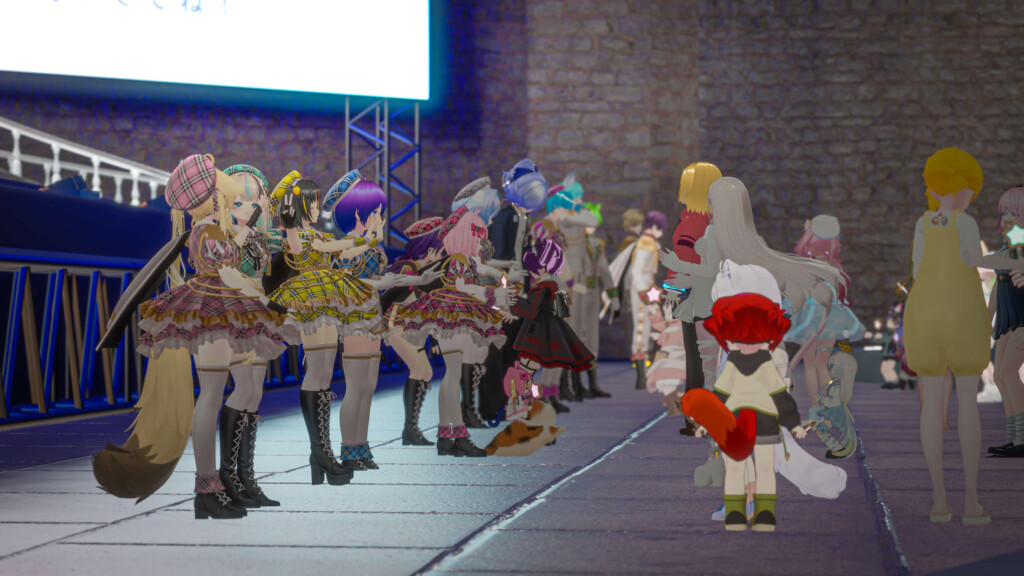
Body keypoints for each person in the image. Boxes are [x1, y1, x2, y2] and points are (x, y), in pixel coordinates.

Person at [903, 148, 1024, 525]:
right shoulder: (965, 222)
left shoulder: (923, 223)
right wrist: (1016, 261)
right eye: (970, 188)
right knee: (967, 404)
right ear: (959, 187)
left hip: (925, 316)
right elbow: (978, 260)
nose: (972, 194)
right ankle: (971, 502)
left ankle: (939, 501)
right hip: (961, 315)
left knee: (931, 404)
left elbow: (918, 271)